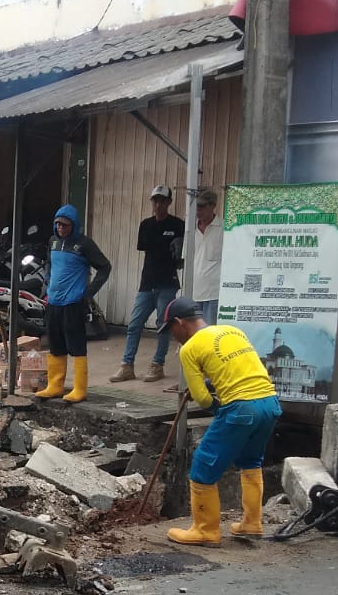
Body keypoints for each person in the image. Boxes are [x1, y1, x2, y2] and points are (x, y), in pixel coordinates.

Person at [158, 296, 281, 545]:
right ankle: (252, 523)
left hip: (241, 407)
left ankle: (205, 530)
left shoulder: (189, 349)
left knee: (203, 465)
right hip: (269, 403)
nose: (173, 335)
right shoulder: (231, 330)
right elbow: (237, 369)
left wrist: (220, 409)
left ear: (180, 322)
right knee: (250, 461)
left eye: (171, 328)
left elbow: (202, 400)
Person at [36, 203, 112, 404]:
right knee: (55, 343)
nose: (61, 228)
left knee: (76, 344)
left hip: (73, 302)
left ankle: (79, 388)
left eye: (65, 225)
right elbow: (50, 264)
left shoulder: (84, 244)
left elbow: (105, 267)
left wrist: (88, 292)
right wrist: (48, 282)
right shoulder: (52, 241)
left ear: (74, 225)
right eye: (58, 224)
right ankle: (55, 385)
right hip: (54, 302)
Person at [111, 184, 185, 383]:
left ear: (169, 202)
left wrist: (179, 253)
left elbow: (182, 257)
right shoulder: (146, 225)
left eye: (162, 201)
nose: (158, 204)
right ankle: (127, 365)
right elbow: (145, 251)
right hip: (147, 282)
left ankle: (157, 364)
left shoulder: (178, 225)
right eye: (155, 200)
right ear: (151, 202)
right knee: (134, 324)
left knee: (163, 325)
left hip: (167, 283)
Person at [190, 187, 223, 324]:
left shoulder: (224, 228)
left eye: (202, 206)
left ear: (213, 206)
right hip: (193, 291)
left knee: (210, 333)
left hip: (214, 292)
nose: (198, 210)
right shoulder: (190, 228)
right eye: (196, 206)